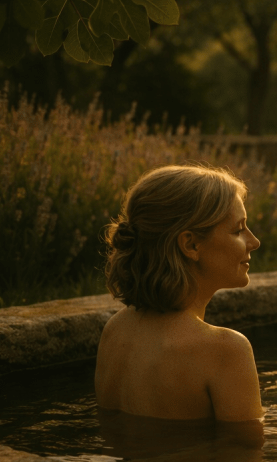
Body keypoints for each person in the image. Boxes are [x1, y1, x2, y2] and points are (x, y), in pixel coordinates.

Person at [95, 165, 263, 423]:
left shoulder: (117, 329)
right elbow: (245, 459)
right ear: (191, 244)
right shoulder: (226, 351)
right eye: (238, 230)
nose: (254, 242)